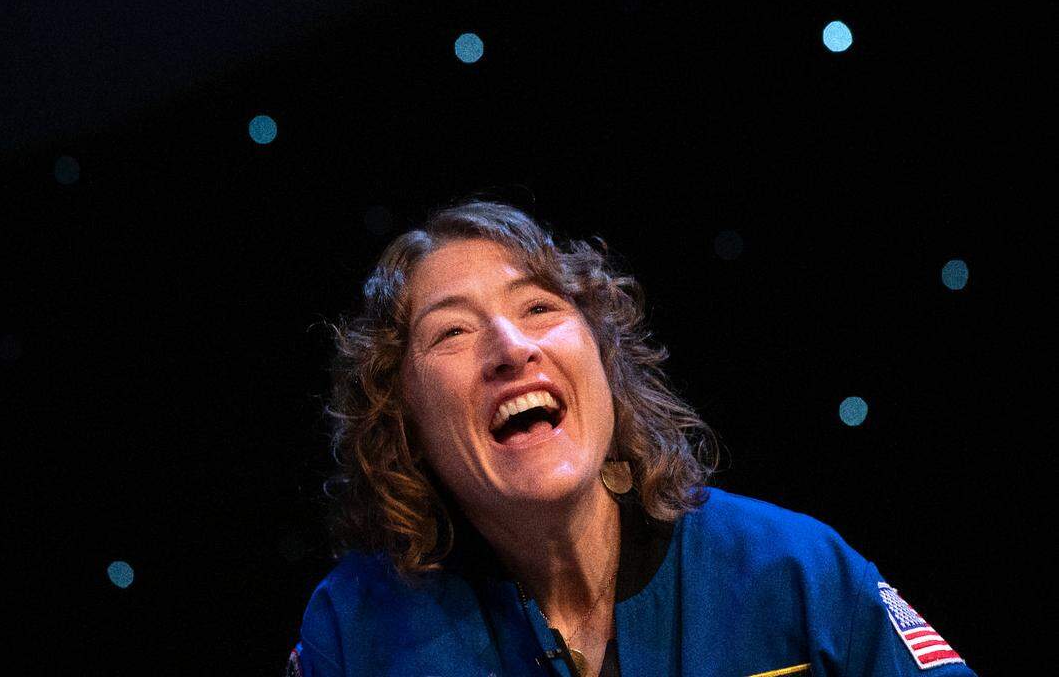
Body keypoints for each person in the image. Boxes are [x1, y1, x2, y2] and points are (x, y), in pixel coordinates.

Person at [285, 198, 976, 676]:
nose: (509, 345)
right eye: (453, 332)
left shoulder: (795, 573)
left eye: (538, 306)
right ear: (402, 420)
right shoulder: (356, 634)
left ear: (602, 361)